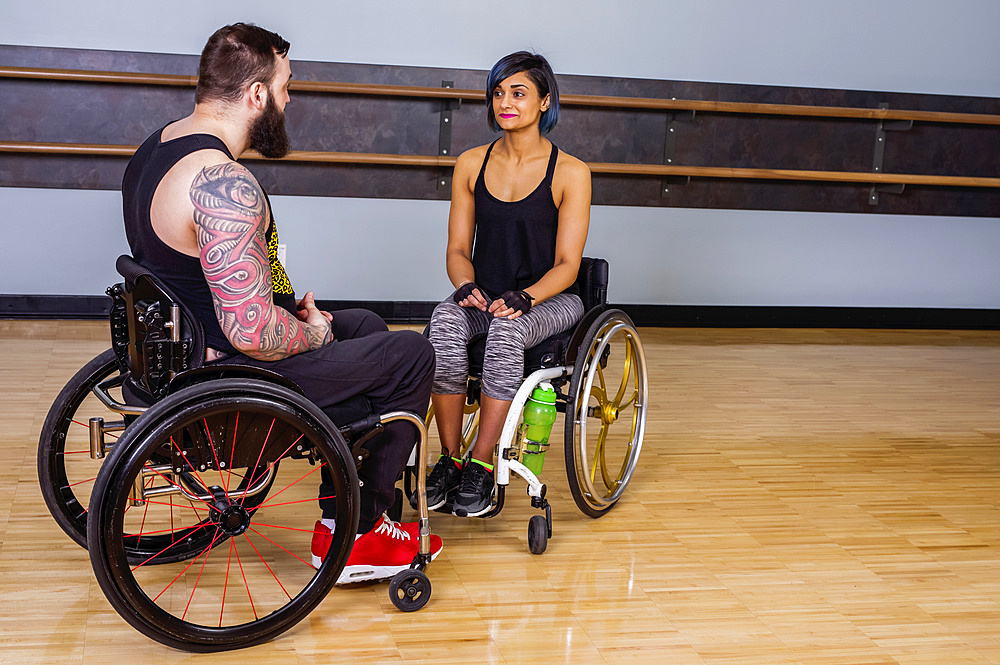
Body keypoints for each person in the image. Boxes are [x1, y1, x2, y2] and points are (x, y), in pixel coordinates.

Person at [121, 22, 441, 583]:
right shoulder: (224, 182)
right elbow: (252, 334)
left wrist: (300, 316)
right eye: (287, 86)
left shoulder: (158, 148)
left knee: (364, 324)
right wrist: (312, 334)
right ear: (256, 94)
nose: (290, 100)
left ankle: (344, 501)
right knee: (411, 355)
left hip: (186, 350)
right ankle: (358, 532)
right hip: (229, 378)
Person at [421, 51, 591, 517]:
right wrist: (464, 286)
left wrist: (527, 296)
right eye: (498, 92)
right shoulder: (471, 164)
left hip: (551, 299)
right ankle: (453, 458)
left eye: (518, 93)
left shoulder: (572, 172)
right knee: (444, 322)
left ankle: (482, 460)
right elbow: (458, 251)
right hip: (486, 293)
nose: (505, 102)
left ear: (544, 102)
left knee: (507, 330)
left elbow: (567, 265)